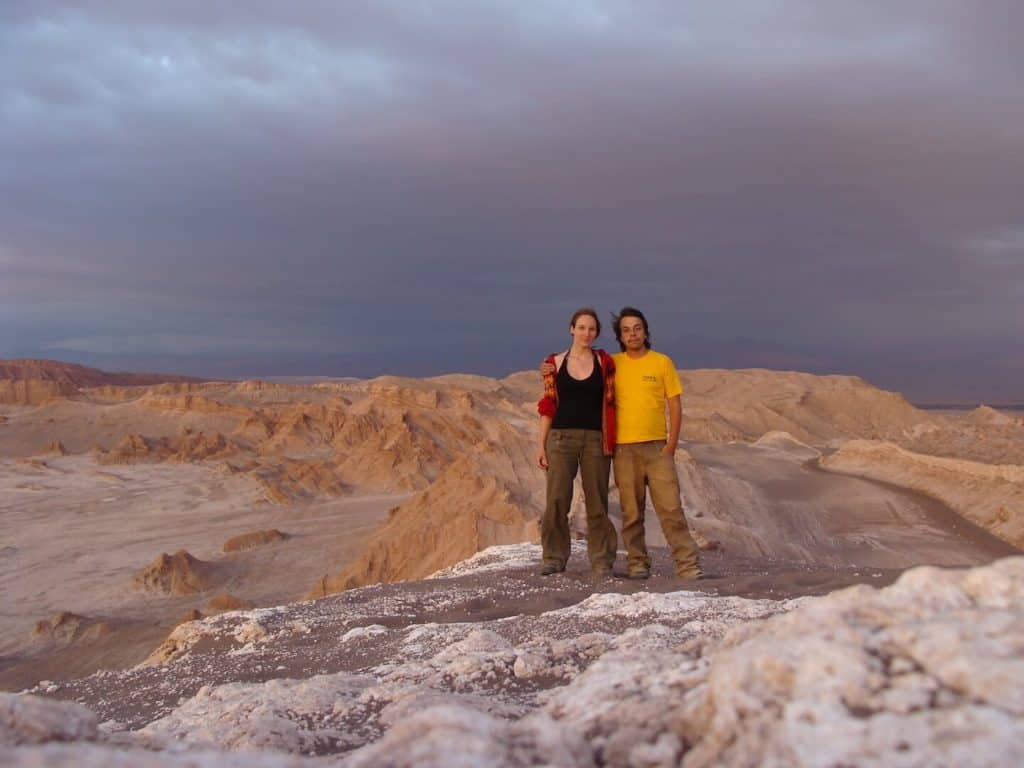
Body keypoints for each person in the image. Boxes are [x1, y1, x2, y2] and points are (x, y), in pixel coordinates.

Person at [541, 306, 702, 580]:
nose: (632, 334)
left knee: (655, 508)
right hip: (595, 444)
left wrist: (672, 444)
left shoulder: (634, 362)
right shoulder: (582, 363)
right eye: (626, 330)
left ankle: (679, 565)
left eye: (637, 328)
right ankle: (627, 562)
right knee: (613, 510)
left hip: (628, 444)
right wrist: (547, 370)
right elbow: (550, 398)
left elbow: (674, 403)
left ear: (645, 331)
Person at [536, 308, 619, 577]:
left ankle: (602, 560)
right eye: (582, 327)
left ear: (597, 333)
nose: (587, 333)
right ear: (571, 329)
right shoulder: (555, 363)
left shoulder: (605, 362)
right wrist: (541, 444)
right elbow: (548, 405)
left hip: (596, 439)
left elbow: (615, 397)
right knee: (557, 499)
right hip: (561, 439)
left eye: (592, 329)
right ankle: (554, 557)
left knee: (597, 501)